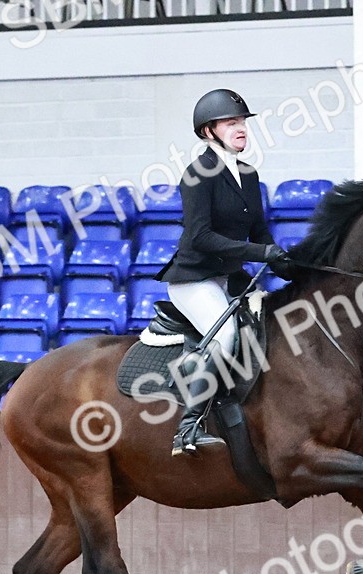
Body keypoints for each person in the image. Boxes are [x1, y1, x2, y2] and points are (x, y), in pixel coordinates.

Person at [157, 89, 291, 457]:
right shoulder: (198, 174)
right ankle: (188, 426)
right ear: (208, 132)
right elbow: (199, 237)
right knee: (227, 334)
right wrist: (257, 252)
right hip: (193, 280)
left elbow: (260, 233)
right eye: (232, 123)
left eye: (243, 122)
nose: (242, 129)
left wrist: (286, 263)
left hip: (227, 280)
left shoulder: (248, 174)